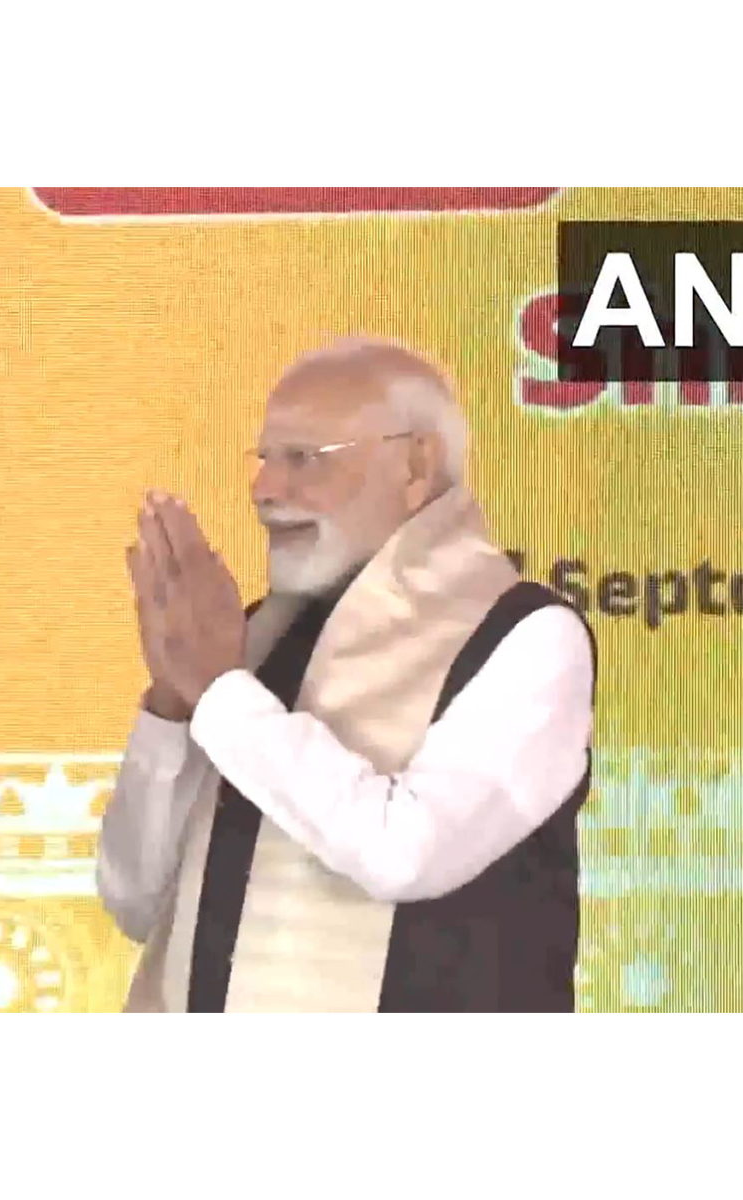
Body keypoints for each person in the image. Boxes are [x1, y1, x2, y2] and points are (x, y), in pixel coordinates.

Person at [100, 338, 597, 1012]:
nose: (264, 492)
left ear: (415, 466)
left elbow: (404, 855)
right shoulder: (251, 640)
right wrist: (172, 704)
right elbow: (135, 903)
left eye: (305, 459)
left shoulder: (527, 636)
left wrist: (218, 691)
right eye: (264, 461)